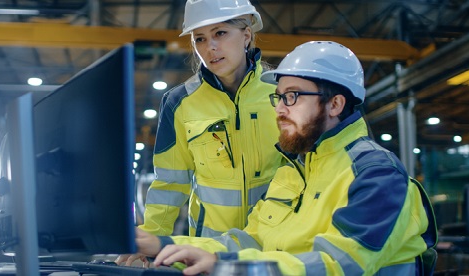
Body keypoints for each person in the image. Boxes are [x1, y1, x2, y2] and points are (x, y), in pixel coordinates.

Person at [119, 41, 438, 275]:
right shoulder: (294, 172)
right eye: (279, 97)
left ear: (335, 104)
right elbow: (251, 241)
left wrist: (226, 269)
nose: (280, 108)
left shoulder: (376, 174)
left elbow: (339, 264)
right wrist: (161, 244)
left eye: (293, 96)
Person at [138, 0, 283, 239]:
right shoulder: (180, 102)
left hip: (276, 242)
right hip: (210, 248)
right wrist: (153, 234)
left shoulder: (282, 93)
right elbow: (170, 181)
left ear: (246, 35)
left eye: (220, 33)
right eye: (200, 39)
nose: (210, 47)